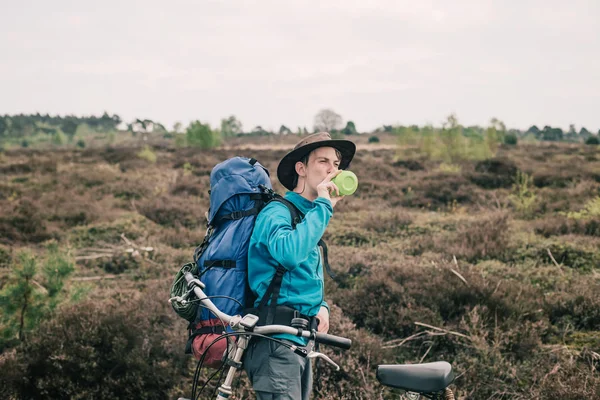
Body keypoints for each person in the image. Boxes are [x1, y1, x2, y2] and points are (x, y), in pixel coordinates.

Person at [244, 132, 356, 400]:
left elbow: (301, 276)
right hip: (276, 343)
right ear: (301, 168)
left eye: (337, 164)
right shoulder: (277, 212)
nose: (333, 170)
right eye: (323, 161)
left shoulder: (308, 215)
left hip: (301, 341)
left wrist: (322, 306)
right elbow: (289, 254)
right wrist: (324, 206)